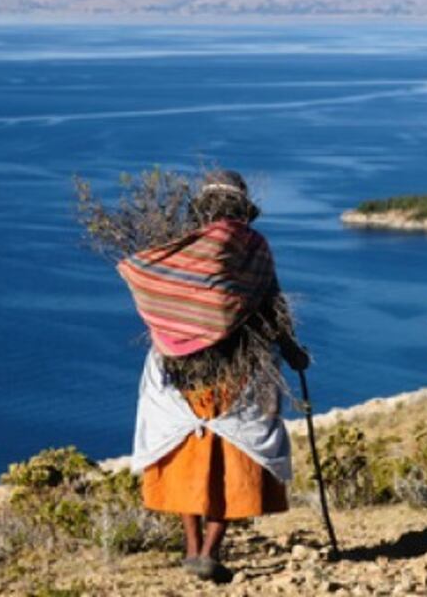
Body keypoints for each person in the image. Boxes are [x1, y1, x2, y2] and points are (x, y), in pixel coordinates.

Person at [118, 170, 309, 582]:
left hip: (179, 374)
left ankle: (191, 549)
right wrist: (293, 353)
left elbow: (149, 284)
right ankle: (209, 550)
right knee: (235, 459)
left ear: (203, 209)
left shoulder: (176, 249)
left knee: (186, 457)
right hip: (238, 374)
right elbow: (273, 305)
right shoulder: (254, 246)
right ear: (242, 208)